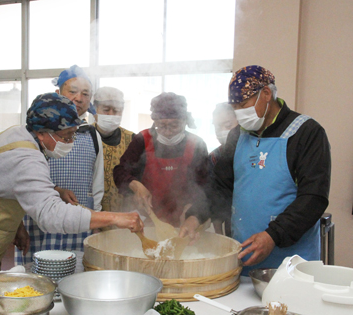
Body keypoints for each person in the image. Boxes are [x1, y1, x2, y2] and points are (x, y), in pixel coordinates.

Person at [0, 92, 142, 284]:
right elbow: (51, 215)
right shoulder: (28, 158)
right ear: (41, 133)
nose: (70, 143)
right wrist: (115, 218)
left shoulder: (18, 133)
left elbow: (4, 181)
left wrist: (50, 194)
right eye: (66, 137)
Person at [207, 65, 331, 275]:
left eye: (243, 104)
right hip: (245, 258)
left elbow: (313, 197)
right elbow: (221, 186)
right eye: (234, 107)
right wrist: (196, 215)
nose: (239, 112)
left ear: (266, 94)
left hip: (293, 264)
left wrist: (273, 236)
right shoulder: (237, 136)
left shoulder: (306, 133)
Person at [15, 65, 104, 266]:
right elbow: (17, 184)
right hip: (38, 221)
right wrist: (16, 223)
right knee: (37, 273)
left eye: (85, 94)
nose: (79, 98)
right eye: (72, 91)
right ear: (58, 94)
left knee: (76, 272)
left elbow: (96, 184)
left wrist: (96, 220)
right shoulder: (35, 133)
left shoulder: (92, 135)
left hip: (78, 220)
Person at [113, 92, 210, 239]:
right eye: (162, 126)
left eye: (174, 126)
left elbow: (207, 188)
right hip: (146, 221)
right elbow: (120, 172)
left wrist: (195, 214)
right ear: (154, 121)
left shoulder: (196, 145)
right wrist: (135, 185)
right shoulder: (142, 140)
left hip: (185, 223)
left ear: (184, 121)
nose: (168, 132)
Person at [93, 87, 135, 212]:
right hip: (90, 213)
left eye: (117, 110)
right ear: (95, 110)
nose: (111, 115)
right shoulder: (83, 136)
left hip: (125, 212)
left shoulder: (132, 139)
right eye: (106, 110)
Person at [209, 102, 238, 236]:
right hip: (229, 222)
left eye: (227, 125)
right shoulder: (214, 157)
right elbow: (216, 193)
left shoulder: (254, 152)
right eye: (217, 128)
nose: (222, 132)